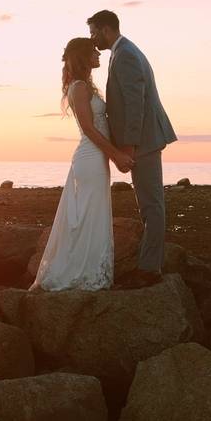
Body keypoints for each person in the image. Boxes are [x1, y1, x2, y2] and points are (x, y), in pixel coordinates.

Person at [31, 38, 135, 291]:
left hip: (96, 158)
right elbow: (88, 129)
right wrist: (116, 156)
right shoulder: (78, 87)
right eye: (93, 52)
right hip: (90, 158)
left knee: (93, 214)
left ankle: (90, 270)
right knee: (88, 216)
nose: (98, 54)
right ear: (82, 57)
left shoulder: (87, 86)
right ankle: (82, 274)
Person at [88, 10, 177, 286]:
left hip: (144, 140)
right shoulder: (122, 52)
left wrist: (128, 145)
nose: (92, 39)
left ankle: (150, 269)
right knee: (149, 204)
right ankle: (150, 263)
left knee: (152, 205)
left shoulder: (125, 54)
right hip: (144, 139)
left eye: (93, 32)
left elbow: (135, 103)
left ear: (105, 29)